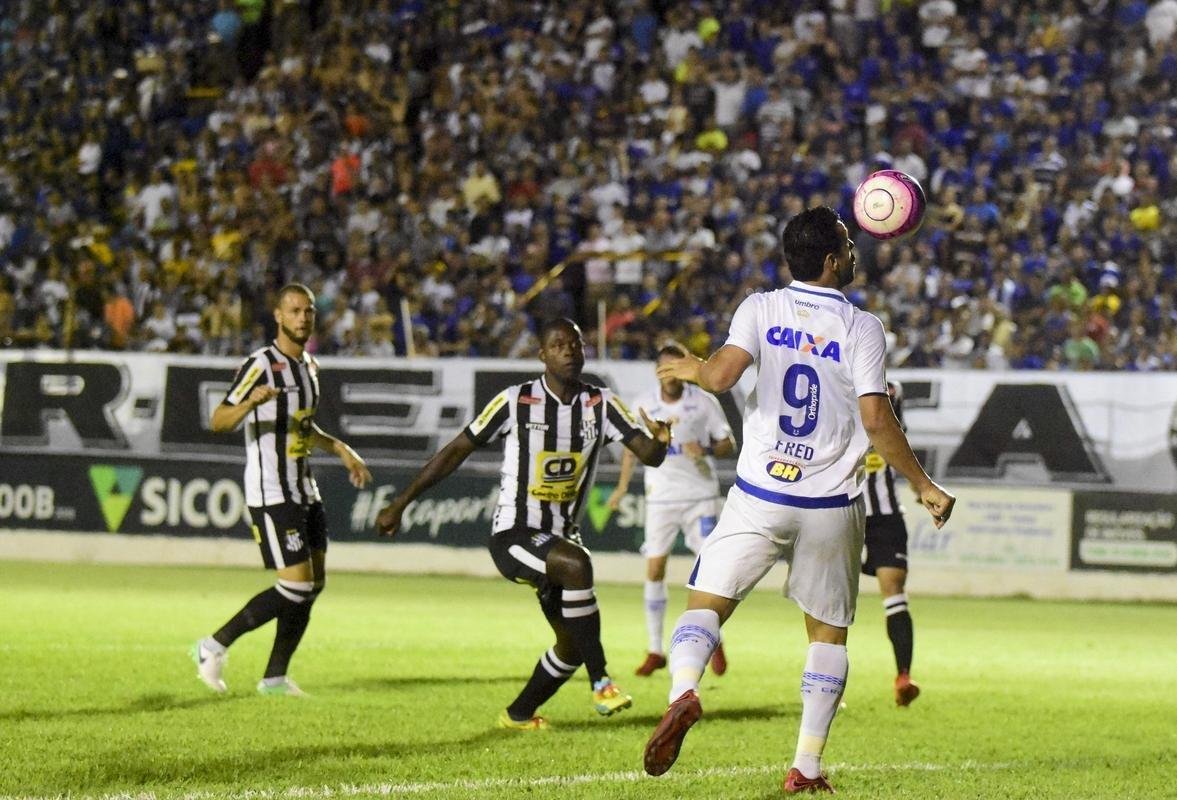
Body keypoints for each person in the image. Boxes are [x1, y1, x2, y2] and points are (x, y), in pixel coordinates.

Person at [641, 207, 955, 793]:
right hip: (829, 502)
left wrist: (692, 367)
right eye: (848, 245)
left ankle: (684, 691)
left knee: (705, 605)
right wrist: (923, 485)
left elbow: (720, 377)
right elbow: (876, 420)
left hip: (760, 492)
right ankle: (805, 767)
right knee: (827, 635)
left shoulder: (759, 308)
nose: (854, 252)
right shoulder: (862, 327)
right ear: (833, 261)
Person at [375, 318, 673, 730]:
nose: (569, 350)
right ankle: (602, 682)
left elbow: (649, 456)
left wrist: (660, 440)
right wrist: (401, 502)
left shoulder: (601, 404)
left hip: (561, 539)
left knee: (571, 646)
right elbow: (457, 449)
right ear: (542, 355)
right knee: (578, 564)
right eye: (559, 344)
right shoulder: (515, 401)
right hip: (514, 536)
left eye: (576, 344)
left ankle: (517, 715)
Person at [191, 283, 372, 696]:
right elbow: (219, 420)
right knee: (296, 586)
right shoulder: (261, 364)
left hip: (305, 489)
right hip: (272, 490)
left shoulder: (309, 366)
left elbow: (303, 426)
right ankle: (213, 645)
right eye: (294, 311)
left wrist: (341, 449)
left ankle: (274, 678)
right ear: (278, 316)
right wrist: (250, 404)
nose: (302, 318)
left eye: (308, 311)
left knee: (313, 585)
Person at [606, 343, 736, 677]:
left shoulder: (703, 401)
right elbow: (631, 450)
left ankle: (714, 638)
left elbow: (728, 443)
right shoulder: (643, 404)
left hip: (699, 496)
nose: (670, 374)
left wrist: (705, 448)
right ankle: (655, 649)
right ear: (656, 371)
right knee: (654, 569)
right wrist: (621, 487)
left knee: (709, 572)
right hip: (661, 497)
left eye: (675, 367)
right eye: (664, 368)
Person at [862, 380, 921, 707]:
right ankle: (826, 683)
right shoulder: (832, 377)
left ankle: (903, 677)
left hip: (886, 514)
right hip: (842, 509)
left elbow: (898, 442)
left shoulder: (892, 390)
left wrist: (920, 486)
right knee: (834, 597)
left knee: (894, 587)